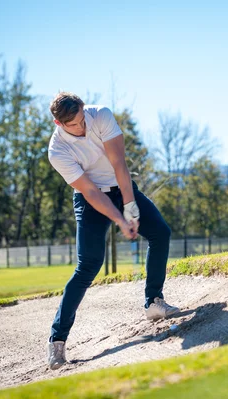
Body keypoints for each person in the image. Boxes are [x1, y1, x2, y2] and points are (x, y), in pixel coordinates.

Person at [46, 92, 179, 370]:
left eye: (83, 119)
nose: (82, 127)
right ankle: (57, 341)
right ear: (59, 124)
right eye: (74, 125)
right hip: (90, 200)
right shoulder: (57, 151)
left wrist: (130, 205)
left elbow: (119, 163)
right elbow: (91, 191)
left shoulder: (101, 114)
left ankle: (154, 301)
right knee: (89, 265)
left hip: (122, 187)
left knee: (160, 233)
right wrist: (120, 220)